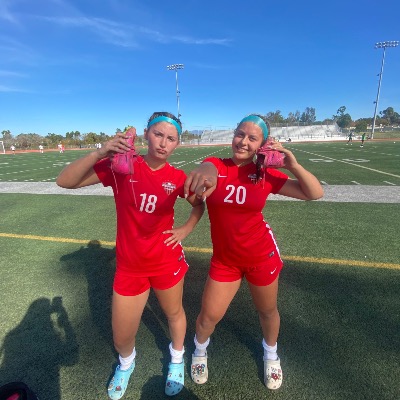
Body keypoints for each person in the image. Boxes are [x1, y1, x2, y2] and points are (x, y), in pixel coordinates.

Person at [56, 112, 205, 399]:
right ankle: (126, 363)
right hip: (130, 267)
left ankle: (176, 358)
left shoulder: (178, 178)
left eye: (171, 138)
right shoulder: (122, 167)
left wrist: (185, 229)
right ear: (146, 134)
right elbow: (65, 181)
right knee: (121, 335)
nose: (163, 143)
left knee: (174, 314)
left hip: (166, 260)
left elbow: (199, 205)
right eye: (158, 134)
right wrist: (100, 152)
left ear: (177, 144)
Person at [184, 114, 324, 391]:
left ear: (261, 145)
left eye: (252, 138)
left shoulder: (265, 174)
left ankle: (271, 355)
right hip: (226, 261)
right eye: (240, 134)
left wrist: (293, 165)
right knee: (208, 316)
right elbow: (208, 168)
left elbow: (314, 193)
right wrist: (205, 173)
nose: (243, 142)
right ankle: (199, 351)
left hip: (261, 257)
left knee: (267, 311)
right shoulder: (217, 165)